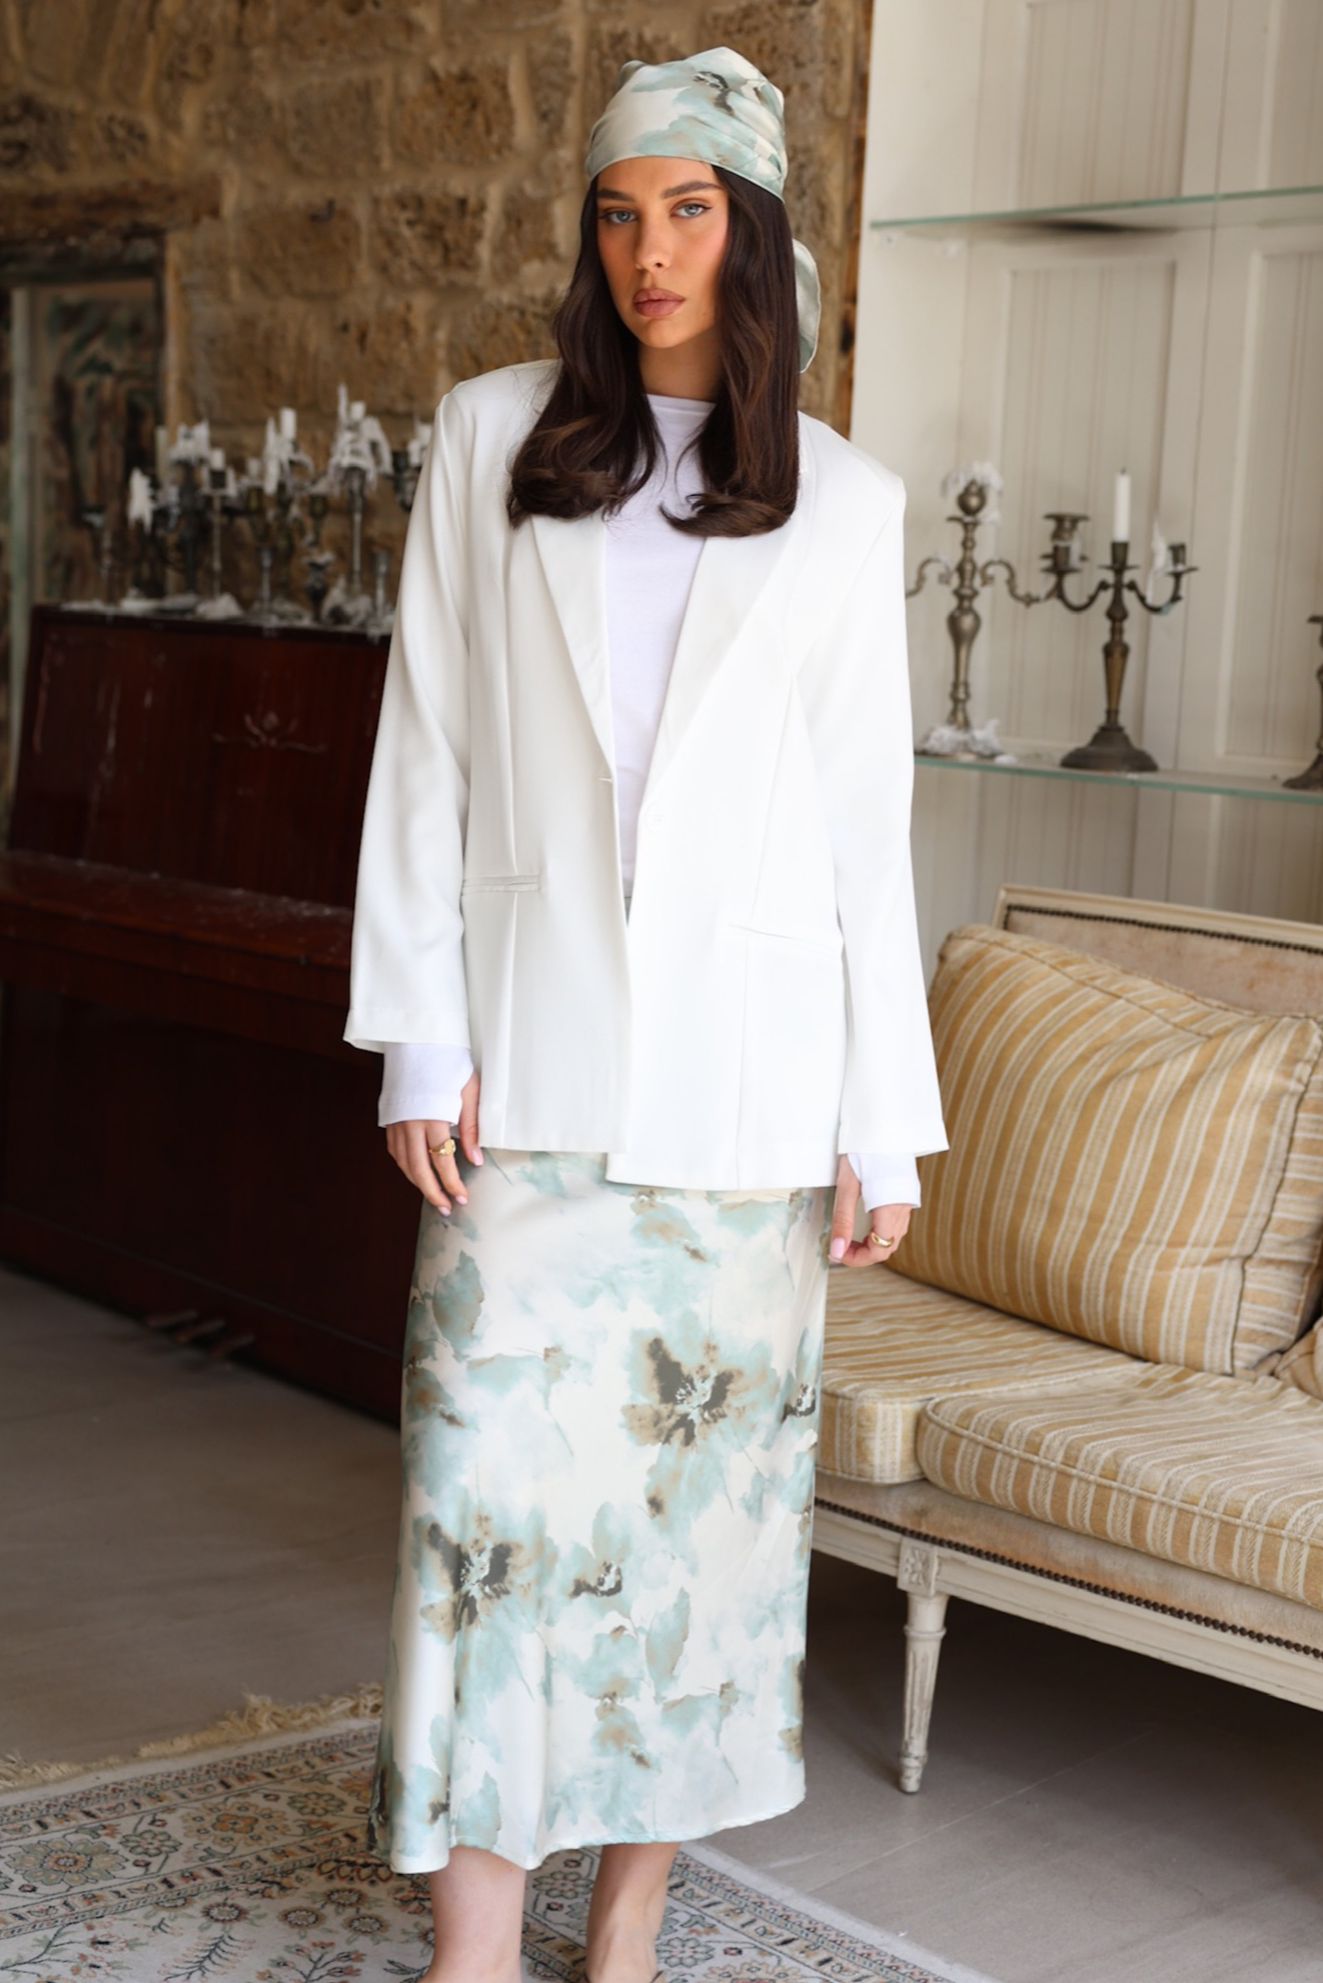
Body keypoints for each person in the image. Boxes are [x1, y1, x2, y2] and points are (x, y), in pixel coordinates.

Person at [341, 44, 949, 1983]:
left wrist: (883, 1116)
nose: (647, 249)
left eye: (688, 210)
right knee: (480, 1512)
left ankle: (626, 1925)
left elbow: (864, 829)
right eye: (617, 213)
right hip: (523, 1075)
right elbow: (425, 747)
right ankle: (470, 1944)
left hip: (743, 1104)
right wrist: (418, 1035)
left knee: (695, 1535)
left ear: (748, 234)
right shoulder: (492, 437)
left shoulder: (845, 501)